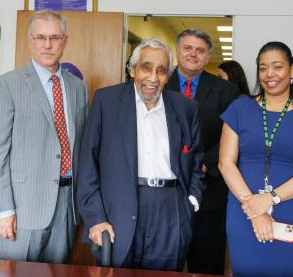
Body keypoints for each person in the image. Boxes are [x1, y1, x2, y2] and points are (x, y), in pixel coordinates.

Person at [77, 38, 204, 271]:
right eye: (146, 67)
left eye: (162, 71)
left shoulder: (185, 108)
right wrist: (95, 217)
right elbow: (87, 164)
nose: (153, 78)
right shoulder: (107, 101)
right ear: (132, 69)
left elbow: (196, 160)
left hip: (171, 211)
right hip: (119, 209)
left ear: (169, 75)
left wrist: (190, 204)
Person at [219, 41, 293, 277]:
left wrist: (270, 199)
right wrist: (255, 209)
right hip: (244, 208)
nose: (269, 74)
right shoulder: (239, 109)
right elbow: (225, 164)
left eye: (277, 67)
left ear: (292, 71)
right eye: (263, 68)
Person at [0, 10, 88, 263]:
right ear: (30, 40)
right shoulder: (7, 84)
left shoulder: (78, 87)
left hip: (67, 205)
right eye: (40, 37)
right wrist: (2, 210)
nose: (47, 44)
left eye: (55, 37)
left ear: (65, 40)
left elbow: (81, 145)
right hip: (23, 207)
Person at [165, 29, 238, 274]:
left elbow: (233, 135)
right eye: (187, 48)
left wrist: (204, 163)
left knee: (206, 263)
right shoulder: (159, 84)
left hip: (209, 192)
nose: (193, 54)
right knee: (164, 262)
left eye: (200, 50)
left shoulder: (225, 91)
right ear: (177, 51)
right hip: (165, 193)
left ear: (207, 57)